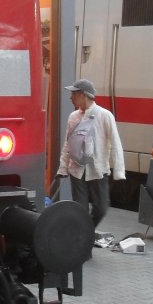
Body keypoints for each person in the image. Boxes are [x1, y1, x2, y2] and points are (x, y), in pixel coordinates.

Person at [56, 78, 125, 228]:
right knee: (80, 210)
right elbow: (68, 144)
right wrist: (63, 168)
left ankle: (87, 231)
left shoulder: (105, 115)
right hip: (76, 170)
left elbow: (116, 143)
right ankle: (84, 236)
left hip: (98, 170)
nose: (70, 98)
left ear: (83, 95)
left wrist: (119, 171)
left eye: (74, 94)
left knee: (101, 208)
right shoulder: (73, 117)